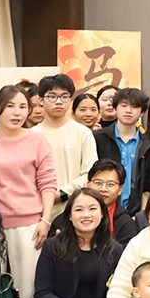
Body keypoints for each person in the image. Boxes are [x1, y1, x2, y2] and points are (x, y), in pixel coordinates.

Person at [0, 84, 57, 298]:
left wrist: (46, 219)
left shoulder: (37, 141)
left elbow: (48, 182)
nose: (17, 112)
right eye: (10, 106)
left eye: (23, 107)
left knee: (29, 285)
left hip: (29, 224)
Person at [37, 75, 98, 214]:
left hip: (74, 209)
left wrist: (63, 194)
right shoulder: (32, 135)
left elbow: (90, 173)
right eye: (52, 96)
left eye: (64, 97)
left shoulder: (83, 133)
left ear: (71, 100)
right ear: (41, 100)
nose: (59, 102)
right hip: (38, 208)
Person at [94, 87, 147, 214]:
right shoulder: (98, 138)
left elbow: (149, 184)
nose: (128, 110)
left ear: (142, 112)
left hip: (135, 212)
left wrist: (142, 215)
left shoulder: (148, 144)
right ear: (115, 108)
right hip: (101, 209)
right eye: (123, 105)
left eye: (134, 106)